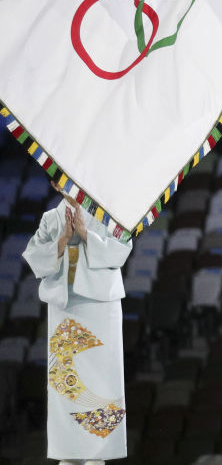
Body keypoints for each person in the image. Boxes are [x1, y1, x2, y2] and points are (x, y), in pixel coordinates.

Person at [22, 182, 132, 465]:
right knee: (65, 382)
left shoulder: (107, 215)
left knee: (103, 380)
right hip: (64, 309)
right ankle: (68, 455)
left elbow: (123, 248)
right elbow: (34, 258)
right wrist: (63, 241)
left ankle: (98, 455)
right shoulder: (51, 218)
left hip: (100, 308)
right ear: (55, 184)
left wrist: (85, 234)